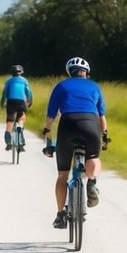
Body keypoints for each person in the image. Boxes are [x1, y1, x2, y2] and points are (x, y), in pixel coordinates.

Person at [42, 57, 109, 229]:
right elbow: (102, 117)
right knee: (93, 159)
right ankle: (92, 182)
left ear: (69, 72)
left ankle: (60, 214)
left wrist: (47, 133)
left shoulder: (61, 86)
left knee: (62, 175)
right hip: (91, 125)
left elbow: (51, 116)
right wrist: (105, 135)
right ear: (86, 73)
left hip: (68, 126)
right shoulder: (95, 86)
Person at [0, 65, 33, 149]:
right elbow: (28, 92)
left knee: (10, 121)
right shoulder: (25, 81)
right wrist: (29, 102)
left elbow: (5, 93)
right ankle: (20, 140)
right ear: (21, 72)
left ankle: (8, 141)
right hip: (21, 102)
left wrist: (2, 103)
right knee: (21, 119)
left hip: (11, 102)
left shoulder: (9, 81)